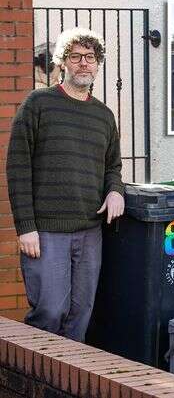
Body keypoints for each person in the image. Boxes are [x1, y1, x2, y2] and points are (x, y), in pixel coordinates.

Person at [6, 28, 125, 342]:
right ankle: (32, 381)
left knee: (80, 316)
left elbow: (113, 165)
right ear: (63, 63)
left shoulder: (103, 115)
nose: (83, 63)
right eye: (75, 57)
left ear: (97, 64)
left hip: (89, 231)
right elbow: (17, 167)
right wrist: (25, 227)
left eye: (90, 58)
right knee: (49, 313)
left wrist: (115, 190)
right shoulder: (38, 104)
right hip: (46, 232)